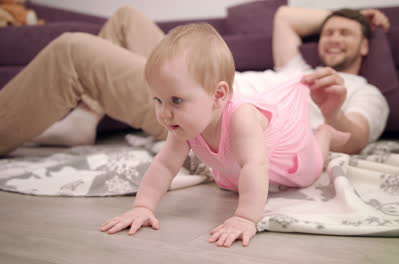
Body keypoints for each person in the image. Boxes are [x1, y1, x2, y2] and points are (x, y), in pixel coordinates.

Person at [0, 5, 390, 155]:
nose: (334, 38)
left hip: (202, 111)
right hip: (204, 82)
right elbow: (284, 18)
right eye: (329, 32)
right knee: (126, 18)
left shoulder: (365, 92)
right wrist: (354, 16)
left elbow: (355, 138)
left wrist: (333, 112)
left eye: (347, 35)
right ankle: (86, 115)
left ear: (366, 47)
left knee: (72, 48)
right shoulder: (296, 69)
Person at [100, 23, 350, 247]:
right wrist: (142, 207)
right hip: (235, 171)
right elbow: (165, 164)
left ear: (218, 95)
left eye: (176, 100)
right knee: (232, 184)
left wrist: (245, 217)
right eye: (158, 100)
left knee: (311, 169)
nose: (164, 113)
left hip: (284, 159)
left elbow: (255, 164)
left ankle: (325, 135)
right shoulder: (180, 124)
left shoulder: (242, 117)